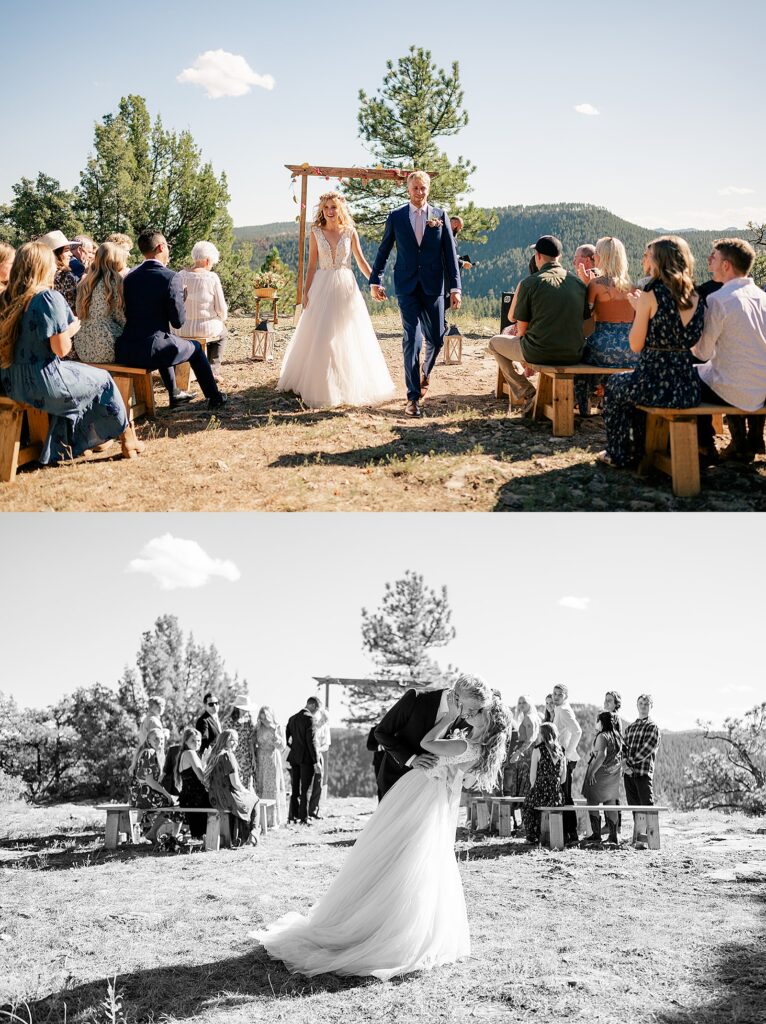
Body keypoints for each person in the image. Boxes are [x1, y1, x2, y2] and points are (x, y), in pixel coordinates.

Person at [252, 690, 511, 979]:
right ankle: (395, 923)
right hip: (421, 791)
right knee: (403, 857)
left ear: (488, 720)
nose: (467, 715)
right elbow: (389, 737)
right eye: (469, 710)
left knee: (403, 858)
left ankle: (387, 926)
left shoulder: (465, 740)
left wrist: (449, 721)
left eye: (475, 712)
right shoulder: (472, 742)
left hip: (420, 795)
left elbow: (429, 745)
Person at [0, 242, 143, 463]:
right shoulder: (47, 298)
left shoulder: (7, 299)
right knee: (103, 379)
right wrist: (71, 329)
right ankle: (127, 438)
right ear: (44, 267)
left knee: (81, 377)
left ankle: (71, 444)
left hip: (12, 381)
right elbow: (61, 349)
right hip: (43, 382)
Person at [278, 192, 395, 409]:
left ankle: (346, 382)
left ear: (340, 209)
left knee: (346, 334)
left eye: (334, 207)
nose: (330, 211)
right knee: (322, 336)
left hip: (345, 285)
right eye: (326, 208)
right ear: (322, 210)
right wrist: (306, 292)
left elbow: (360, 261)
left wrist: (375, 283)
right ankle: (321, 385)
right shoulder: (315, 233)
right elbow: (312, 265)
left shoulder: (350, 232)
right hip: (322, 285)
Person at [599, 235, 704, 468]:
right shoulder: (697, 296)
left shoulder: (651, 293)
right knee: (630, 387)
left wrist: (639, 310)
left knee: (617, 385)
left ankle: (619, 453)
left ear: (659, 261)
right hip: (687, 386)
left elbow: (636, 344)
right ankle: (642, 448)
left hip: (653, 382)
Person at [370, 171, 461, 417]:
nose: (419, 192)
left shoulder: (439, 215)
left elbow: (450, 256)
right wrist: (375, 280)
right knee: (412, 338)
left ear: (428, 190)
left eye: (423, 188)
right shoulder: (397, 216)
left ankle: (424, 373)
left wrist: (455, 288)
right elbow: (384, 250)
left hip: (433, 287)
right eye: (415, 188)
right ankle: (412, 398)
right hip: (407, 286)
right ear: (408, 190)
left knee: (437, 338)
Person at [115, 229, 227, 410]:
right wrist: (180, 299)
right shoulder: (171, 277)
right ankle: (215, 397)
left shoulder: (130, 277)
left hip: (126, 349)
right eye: (167, 246)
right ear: (160, 247)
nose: (168, 250)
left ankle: (175, 393)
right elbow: (178, 322)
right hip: (152, 351)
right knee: (196, 349)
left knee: (165, 342)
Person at [488, 235, 589, 414]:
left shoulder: (530, 283)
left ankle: (528, 393)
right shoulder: (578, 283)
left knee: (494, 343)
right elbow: (586, 325)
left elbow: (522, 331)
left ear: (538, 256)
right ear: (558, 257)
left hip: (539, 352)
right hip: (574, 353)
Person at [692, 238, 766, 460]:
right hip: (763, 389)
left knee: (686, 377)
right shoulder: (763, 298)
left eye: (713, 257)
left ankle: (704, 443)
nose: (709, 261)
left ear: (726, 265)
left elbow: (703, 353)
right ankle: (749, 440)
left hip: (733, 389)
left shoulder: (718, 300)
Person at [374, 674, 491, 799]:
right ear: (456, 698)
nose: (473, 714)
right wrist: (411, 759)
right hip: (396, 779)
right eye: (472, 709)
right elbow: (381, 732)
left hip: (430, 792)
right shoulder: (416, 699)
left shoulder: (466, 719)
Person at [574, 236, 638, 416]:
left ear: (603, 256)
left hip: (604, 344)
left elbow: (586, 315)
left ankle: (583, 406)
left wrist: (585, 284)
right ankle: (607, 401)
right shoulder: (633, 286)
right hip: (630, 347)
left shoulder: (596, 284)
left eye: (596, 254)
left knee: (581, 357)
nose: (594, 257)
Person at [173, 241, 228, 379]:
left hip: (180, 328)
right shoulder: (211, 277)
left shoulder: (180, 275)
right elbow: (221, 309)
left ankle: (180, 370)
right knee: (223, 333)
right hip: (204, 328)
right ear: (207, 260)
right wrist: (221, 318)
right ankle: (213, 370)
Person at [74, 242, 127, 364]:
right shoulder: (115, 282)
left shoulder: (84, 282)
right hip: (107, 343)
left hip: (83, 344)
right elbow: (120, 317)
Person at [205, 729, 259, 847]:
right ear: (224, 740)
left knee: (245, 801)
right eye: (231, 740)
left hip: (215, 799)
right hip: (228, 798)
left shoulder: (213, 756)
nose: (235, 743)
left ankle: (243, 836)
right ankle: (254, 833)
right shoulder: (227, 756)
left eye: (236, 740)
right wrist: (247, 792)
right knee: (255, 800)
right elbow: (236, 784)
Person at [623, 694, 661, 849]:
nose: (643, 705)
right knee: (634, 807)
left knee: (646, 806)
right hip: (628, 773)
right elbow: (623, 748)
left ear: (651, 706)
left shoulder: (653, 727)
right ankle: (639, 839)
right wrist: (624, 765)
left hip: (643, 773)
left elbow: (647, 749)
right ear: (637, 705)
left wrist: (629, 763)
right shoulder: (630, 728)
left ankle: (650, 839)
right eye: (641, 703)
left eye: (646, 703)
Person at [521, 722, 567, 845]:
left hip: (540, 789)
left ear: (542, 735)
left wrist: (533, 789)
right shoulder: (561, 751)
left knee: (527, 807)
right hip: (556, 794)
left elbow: (532, 777)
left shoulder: (537, 750)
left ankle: (532, 836)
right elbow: (563, 778)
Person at [581, 712, 623, 846]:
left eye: (598, 720)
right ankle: (613, 835)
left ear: (602, 722)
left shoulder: (602, 736)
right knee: (610, 803)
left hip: (599, 774)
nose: (596, 723)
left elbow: (601, 755)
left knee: (592, 801)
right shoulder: (617, 737)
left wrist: (592, 772)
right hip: (612, 775)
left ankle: (596, 835)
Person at [129, 728, 176, 843]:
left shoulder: (152, 753)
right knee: (172, 804)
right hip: (142, 796)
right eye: (155, 739)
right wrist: (167, 795)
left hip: (140, 795)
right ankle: (152, 832)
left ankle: (150, 831)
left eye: (161, 739)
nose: (159, 742)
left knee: (171, 801)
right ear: (149, 740)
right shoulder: (149, 753)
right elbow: (150, 782)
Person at [552, 684, 582, 845]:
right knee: (562, 795)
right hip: (560, 755)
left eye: (559, 694)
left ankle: (572, 834)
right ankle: (566, 833)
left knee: (566, 795)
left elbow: (577, 731)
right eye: (554, 694)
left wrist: (567, 753)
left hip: (564, 757)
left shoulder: (564, 710)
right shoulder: (559, 709)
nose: (556, 697)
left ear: (566, 696)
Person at [286, 697, 321, 825]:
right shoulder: (310, 719)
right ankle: (304, 818)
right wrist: (316, 761)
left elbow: (287, 739)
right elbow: (311, 742)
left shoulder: (292, 718)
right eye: (317, 709)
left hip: (294, 757)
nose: (317, 712)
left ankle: (292, 816)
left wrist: (295, 748)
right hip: (306, 759)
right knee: (305, 789)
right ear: (311, 705)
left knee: (295, 788)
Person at [504, 695, 541, 815]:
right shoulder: (532, 717)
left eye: (524, 702)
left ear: (530, 703)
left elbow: (531, 739)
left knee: (525, 788)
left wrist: (518, 753)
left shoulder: (529, 718)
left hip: (527, 756)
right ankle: (525, 823)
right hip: (529, 755)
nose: (521, 705)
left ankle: (526, 824)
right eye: (519, 702)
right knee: (526, 787)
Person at [174, 726, 210, 840]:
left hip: (189, 798)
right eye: (193, 741)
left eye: (199, 740)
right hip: (196, 799)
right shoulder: (190, 753)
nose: (197, 743)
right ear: (186, 742)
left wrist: (203, 762)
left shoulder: (184, 754)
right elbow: (202, 778)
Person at [255, 706, 288, 827]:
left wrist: (276, 738)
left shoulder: (279, 728)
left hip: (273, 758)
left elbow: (282, 747)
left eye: (266, 718)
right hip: (260, 759)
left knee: (272, 787)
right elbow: (253, 742)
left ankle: (272, 820)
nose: (264, 721)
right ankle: (260, 820)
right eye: (261, 718)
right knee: (261, 786)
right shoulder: (258, 727)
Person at [37, 231, 79, 317]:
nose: (70, 254)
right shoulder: (65, 276)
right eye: (66, 250)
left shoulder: (38, 275)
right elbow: (71, 310)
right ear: (56, 254)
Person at [224, 694, 257, 790]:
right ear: (237, 708)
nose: (245, 711)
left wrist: (253, 757)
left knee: (246, 783)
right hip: (233, 754)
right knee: (234, 781)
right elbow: (224, 740)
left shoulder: (249, 721)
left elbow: (251, 740)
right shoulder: (229, 722)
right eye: (243, 709)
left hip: (246, 756)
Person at [129, 695, 167, 775]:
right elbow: (157, 742)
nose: (161, 708)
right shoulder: (153, 721)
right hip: (153, 755)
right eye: (157, 705)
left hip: (145, 753)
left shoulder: (146, 720)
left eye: (162, 705)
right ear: (150, 707)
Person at [308, 697, 330, 820]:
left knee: (318, 784)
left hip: (318, 754)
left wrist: (318, 750)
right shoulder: (311, 724)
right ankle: (305, 810)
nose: (323, 721)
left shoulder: (325, 728)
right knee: (307, 783)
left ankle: (313, 810)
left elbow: (326, 745)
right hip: (308, 755)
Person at [195, 692, 222, 759]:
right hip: (209, 758)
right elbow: (203, 742)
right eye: (211, 704)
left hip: (218, 757)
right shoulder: (203, 720)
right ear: (205, 705)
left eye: (216, 703)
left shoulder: (217, 719)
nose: (214, 706)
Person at [366, 724, 385, 801]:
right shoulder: (374, 729)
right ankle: (381, 806)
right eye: (382, 713)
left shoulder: (395, 727)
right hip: (379, 762)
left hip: (393, 762)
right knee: (380, 785)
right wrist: (379, 747)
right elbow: (369, 746)